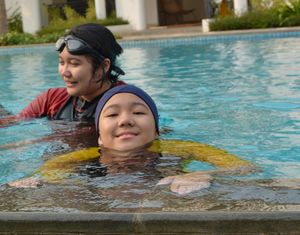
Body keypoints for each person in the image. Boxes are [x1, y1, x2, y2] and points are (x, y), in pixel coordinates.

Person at [9, 85, 254, 195]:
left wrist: (203, 175)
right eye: (113, 114)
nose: (125, 120)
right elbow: (52, 171)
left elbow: (245, 168)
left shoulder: (183, 149)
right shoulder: (87, 155)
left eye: (138, 112)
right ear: (100, 137)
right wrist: (40, 182)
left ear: (157, 130)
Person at [1, 23, 125, 125]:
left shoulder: (125, 104)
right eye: (61, 62)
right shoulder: (52, 99)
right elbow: (15, 125)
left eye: (74, 63)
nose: (64, 72)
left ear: (103, 66)